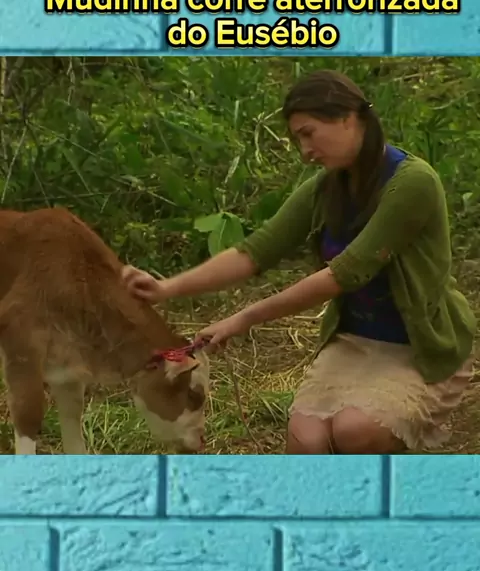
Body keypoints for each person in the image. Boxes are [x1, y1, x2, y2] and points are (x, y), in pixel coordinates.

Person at [122, 69, 476, 455]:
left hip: (417, 345)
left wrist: (244, 318)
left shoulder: (412, 182)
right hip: (354, 341)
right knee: (308, 441)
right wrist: (167, 288)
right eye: (297, 140)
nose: (305, 151)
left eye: (308, 133)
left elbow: (344, 274)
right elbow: (254, 252)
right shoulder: (326, 188)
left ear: (347, 117)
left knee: (355, 431)